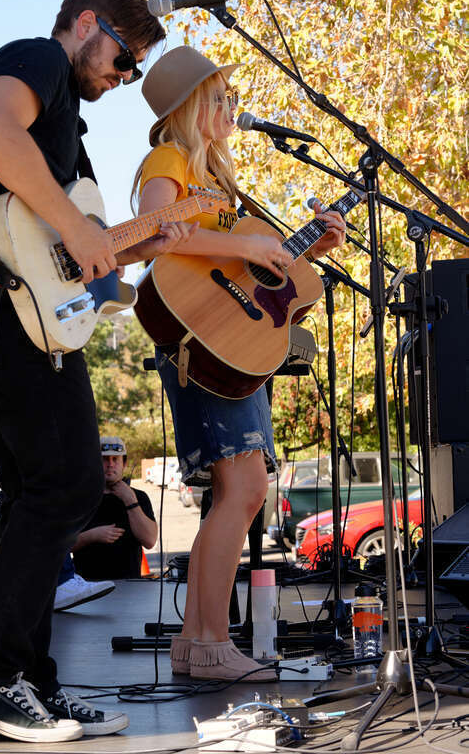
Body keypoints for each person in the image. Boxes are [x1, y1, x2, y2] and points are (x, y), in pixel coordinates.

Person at [0, 0, 196, 744]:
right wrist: (81, 236)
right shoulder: (36, 60)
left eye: (134, 70)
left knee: (33, 492)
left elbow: (76, 263)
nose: (122, 79)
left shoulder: (68, 126)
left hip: (20, 311)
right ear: (86, 22)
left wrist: (139, 243)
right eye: (122, 61)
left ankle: (26, 683)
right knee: (71, 481)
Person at [133, 46, 346, 682]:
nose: (231, 106)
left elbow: (257, 272)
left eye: (230, 94)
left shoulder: (224, 184)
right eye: (219, 96)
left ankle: (200, 644)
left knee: (234, 491)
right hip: (202, 339)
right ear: (190, 107)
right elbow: (152, 231)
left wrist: (309, 248)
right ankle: (210, 640)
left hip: (230, 342)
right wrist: (247, 242)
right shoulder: (168, 160)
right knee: (246, 489)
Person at [72, 436, 157, 579]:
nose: (110, 464)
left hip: (129, 588)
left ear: (124, 463)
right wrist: (92, 536)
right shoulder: (80, 499)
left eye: (115, 459)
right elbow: (61, 547)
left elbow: (150, 540)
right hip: (89, 588)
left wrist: (130, 501)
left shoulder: (139, 497)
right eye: (105, 459)